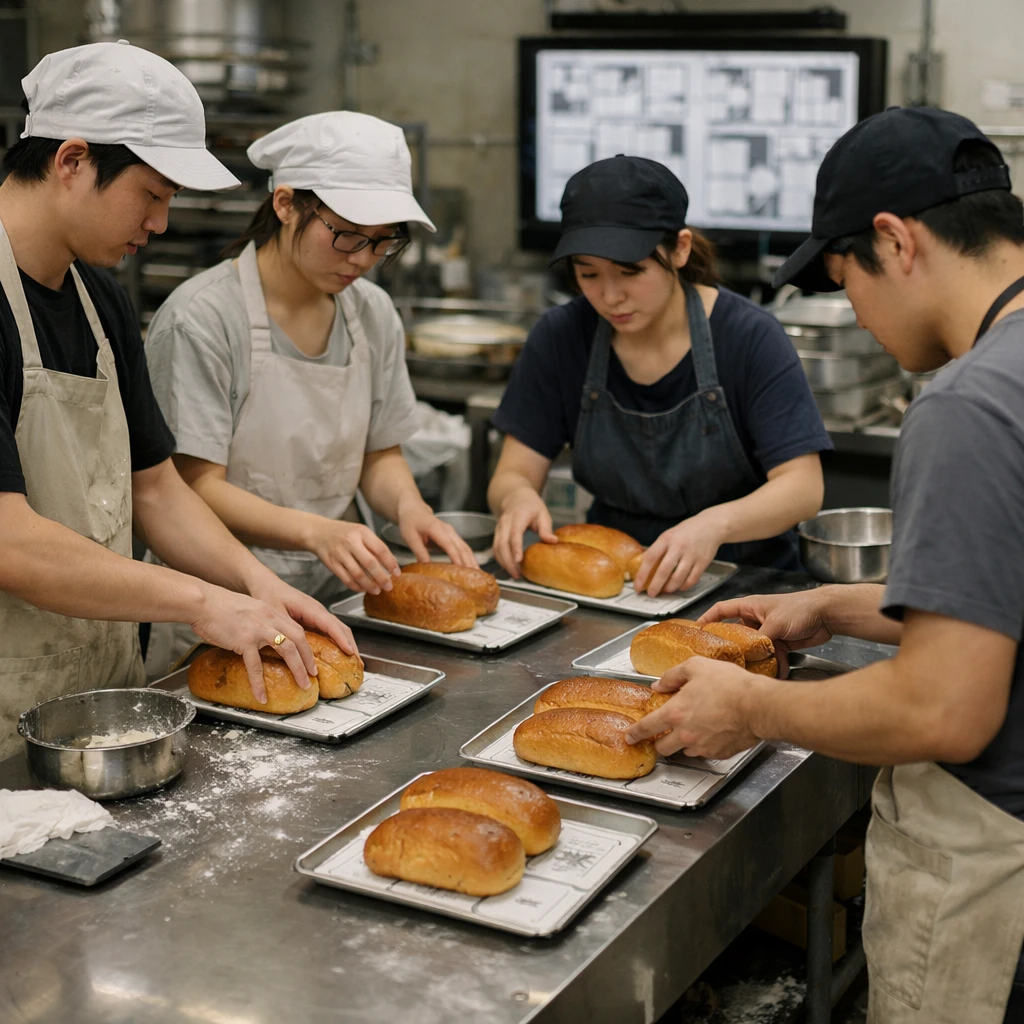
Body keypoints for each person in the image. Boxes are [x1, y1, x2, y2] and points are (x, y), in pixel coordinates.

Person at [625, 108, 1024, 1023]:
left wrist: (751, 707)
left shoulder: (969, 403)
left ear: (895, 239)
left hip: (994, 859)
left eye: (845, 284)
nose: (855, 314)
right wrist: (840, 607)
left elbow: (943, 708)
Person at [0, 41, 356, 759]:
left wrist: (256, 585)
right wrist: (204, 602)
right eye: (153, 195)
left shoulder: (98, 296)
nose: (159, 224)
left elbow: (157, 489)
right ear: (72, 161)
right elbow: (9, 542)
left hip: (97, 704)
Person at [142, 111, 474, 675]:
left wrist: (410, 507)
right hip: (225, 600)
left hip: (339, 595)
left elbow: (378, 453)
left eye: (383, 242)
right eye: (346, 235)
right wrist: (316, 531)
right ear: (287, 203)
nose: (363, 260)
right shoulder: (202, 318)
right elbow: (191, 486)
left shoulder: (371, 313)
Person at [488, 155, 831, 596]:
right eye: (588, 274)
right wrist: (517, 499)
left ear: (680, 249)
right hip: (615, 583)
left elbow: (803, 487)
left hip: (747, 582)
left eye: (631, 272)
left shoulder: (748, 336)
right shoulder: (562, 336)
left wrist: (713, 525)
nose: (611, 296)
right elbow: (511, 474)